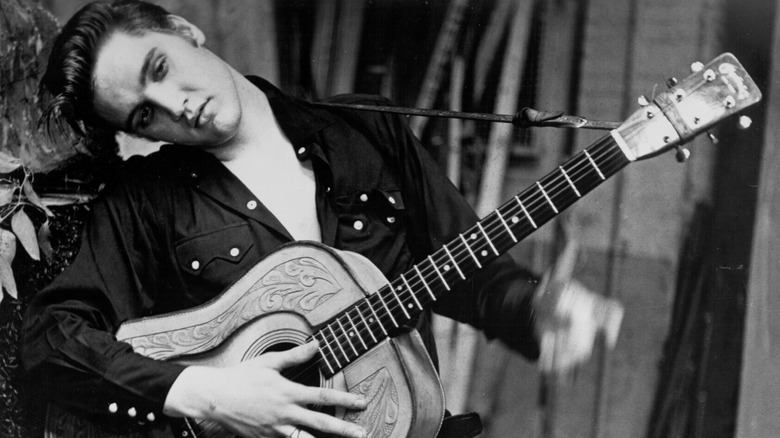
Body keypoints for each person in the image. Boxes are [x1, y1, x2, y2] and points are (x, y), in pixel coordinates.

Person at [22, 1, 618, 437]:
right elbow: (48, 336)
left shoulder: (367, 130)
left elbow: (466, 271)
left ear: (183, 31)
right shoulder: (144, 201)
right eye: (146, 118)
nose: (178, 105)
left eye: (159, 68)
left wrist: (540, 310)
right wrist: (206, 394)